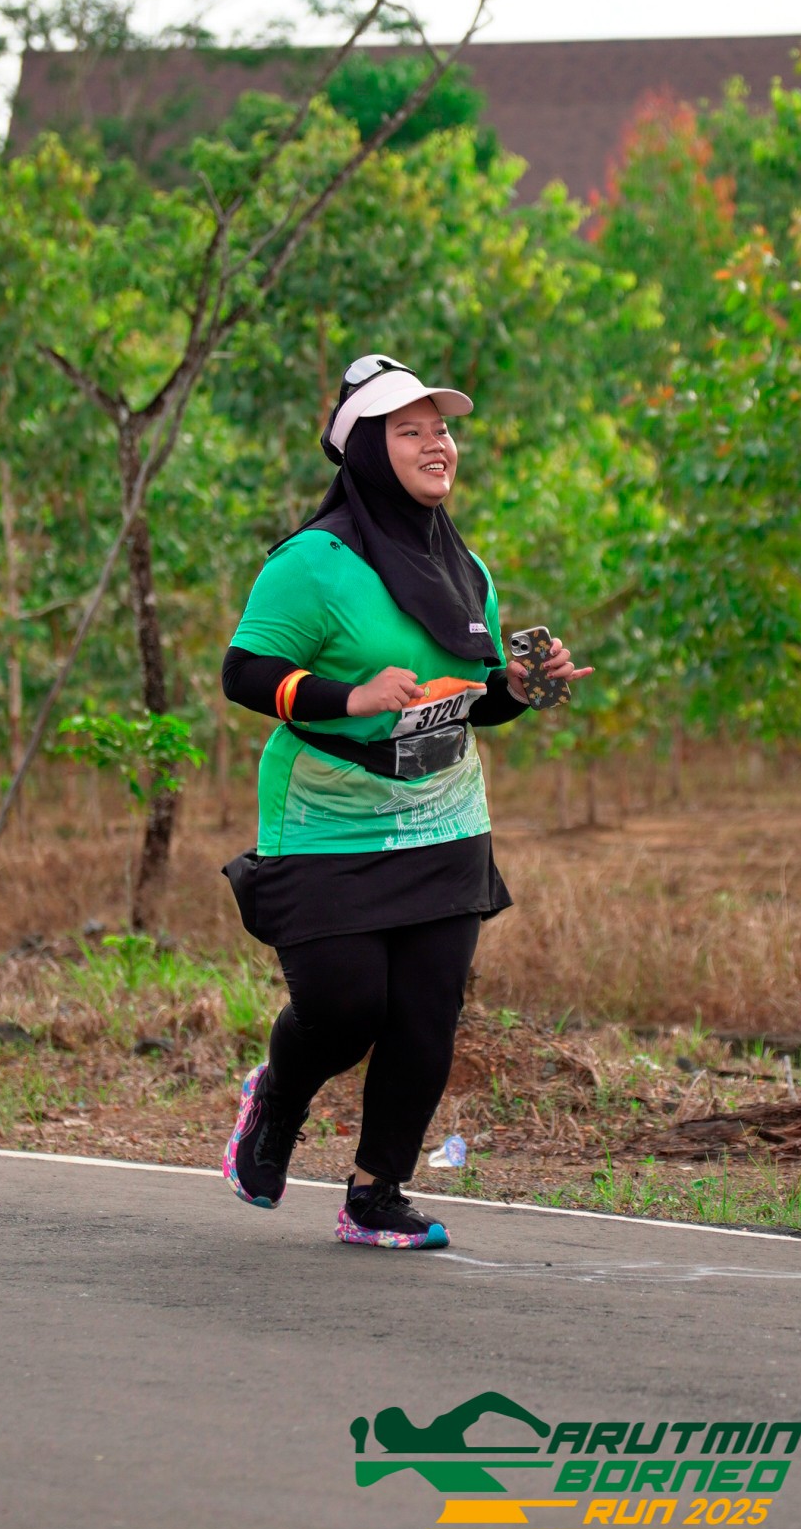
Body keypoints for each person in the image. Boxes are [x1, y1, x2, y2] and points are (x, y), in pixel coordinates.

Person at [219, 353, 589, 1249]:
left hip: (443, 814)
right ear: (365, 451)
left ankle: (376, 1193)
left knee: (427, 1015)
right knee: (346, 1010)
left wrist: (520, 688)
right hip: (327, 818)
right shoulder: (313, 563)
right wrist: (350, 697)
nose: (437, 444)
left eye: (443, 429)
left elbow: (472, 699)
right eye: (410, 430)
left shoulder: (466, 568)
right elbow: (245, 672)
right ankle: (277, 1100)